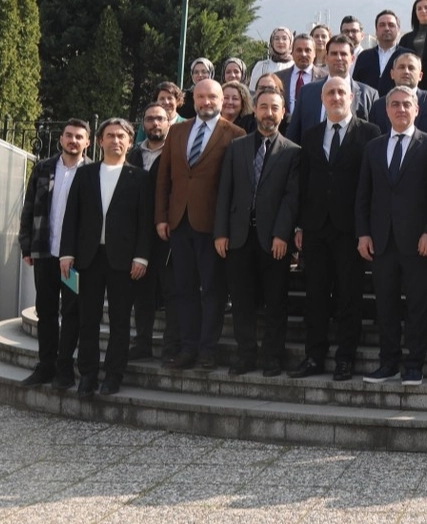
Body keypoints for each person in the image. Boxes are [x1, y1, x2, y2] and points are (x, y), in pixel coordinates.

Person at [293, 78, 382, 381]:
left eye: (341, 92)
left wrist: (366, 228)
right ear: (322, 98)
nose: (335, 97)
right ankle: (314, 356)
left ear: (352, 96)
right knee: (315, 295)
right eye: (330, 92)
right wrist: (300, 225)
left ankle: (345, 358)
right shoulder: (311, 135)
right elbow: (304, 183)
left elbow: (371, 184)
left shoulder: (370, 133)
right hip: (316, 227)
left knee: (349, 296)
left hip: (350, 229)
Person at [155, 79, 247, 371]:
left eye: (212, 97)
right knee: (184, 289)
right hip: (179, 222)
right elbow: (164, 177)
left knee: (212, 291)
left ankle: (207, 351)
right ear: (193, 100)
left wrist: (226, 229)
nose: (206, 102)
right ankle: (188, 348)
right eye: (201, 97)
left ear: (222, 100)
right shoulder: (177, 131)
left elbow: (237, 187)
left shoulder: (235, 135)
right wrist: (161, 217)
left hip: (213, 227)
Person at [57, 118, 151, 396]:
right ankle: (87, 375)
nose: (115, 140)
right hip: (88, 259)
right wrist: (66, 253)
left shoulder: (140, 177)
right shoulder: (85, 174)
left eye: (121, 136)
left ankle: (113, 376)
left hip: (124, 261)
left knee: (120, 322)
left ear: (130, 142)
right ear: (100, 141)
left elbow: (145, 221)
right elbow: (71, 216)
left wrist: (142, 257)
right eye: (110, 135)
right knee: (88, 319)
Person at [356, 86, 427, 385]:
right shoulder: (373, 147)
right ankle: (388, 362)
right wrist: (363, 233)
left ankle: (414, 365)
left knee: (418, 306)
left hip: (419, 242)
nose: (401, 109)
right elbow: (363, 194)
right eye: (395, 104)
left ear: (417, 109)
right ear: (386, 110)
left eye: (407, 104)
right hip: (382, 241)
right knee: (385, 306)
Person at [214, 88, 300, 376]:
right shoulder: (236, 147)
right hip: (238, 237)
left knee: (275, 302)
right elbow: (225, 191)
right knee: (241, 301)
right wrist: (221, 232)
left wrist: (282, 234)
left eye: (275, 108)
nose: (269, 113)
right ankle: (246, 354)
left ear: (283, 113)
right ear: (255, 111)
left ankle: (272, 356)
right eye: (263, 107)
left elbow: (291, 198)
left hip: (273, 239)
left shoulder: (293, 151)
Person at [17, 118, 90, 387]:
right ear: (61, 139)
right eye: (69, 135)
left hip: (74, 259)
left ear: (87, 142)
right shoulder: (43, 168)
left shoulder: (92, 172)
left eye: (79, 137)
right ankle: (45, 365)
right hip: (45, 253)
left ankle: (64, 367)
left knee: (72, 312)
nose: (73, 140)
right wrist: (26, 244)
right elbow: (28, 208)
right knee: (46, 310)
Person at [128, 103, 179, 361]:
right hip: (138, 233)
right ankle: (142, 344)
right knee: (142, 292)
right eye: (149, 119)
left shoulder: (177, 153)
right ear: (143, 124)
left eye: (160, 119)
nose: (155, 123)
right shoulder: (133, 154)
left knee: (171, 291)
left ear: (169, 122)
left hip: (167, 232)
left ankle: (171, 347)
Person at [287, 35, 378, 143]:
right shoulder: (307, 92)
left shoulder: (369, 95)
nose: (339, 58)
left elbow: (376, 140)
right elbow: (293, 136)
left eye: (343, 54)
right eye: (334, 53)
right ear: (326, 58)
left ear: (352, 59)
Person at [367, 51, 427, 137]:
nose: (406, 71)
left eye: (411, 68)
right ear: (392, 74)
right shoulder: (379, 106)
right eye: (401, 67)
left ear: (420, 76)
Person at [352, 9, 410, 96]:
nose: (386, 28)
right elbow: (356, 85)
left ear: (398, 30)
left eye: (391, 25)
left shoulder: (407, 56)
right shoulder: (364, 56)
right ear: (376, 30)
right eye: (382, 25)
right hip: (369, 103)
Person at [276, 33, 327, 128]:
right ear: (292, 52)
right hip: (284, 129)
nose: (303, 54)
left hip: (313, 129)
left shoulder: (325, 79)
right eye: (299, 50)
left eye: (308, 50)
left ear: (314, 53)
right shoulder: (278, 77)